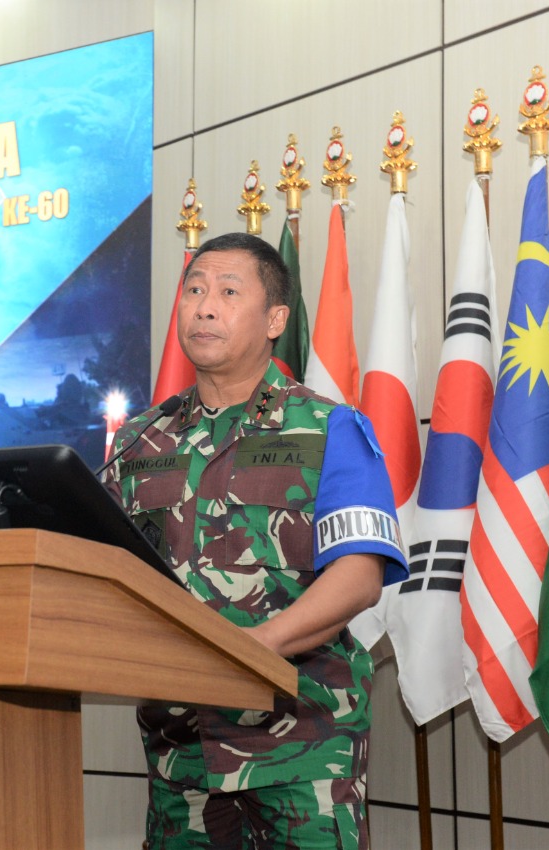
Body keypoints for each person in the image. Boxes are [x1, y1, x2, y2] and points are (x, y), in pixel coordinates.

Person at [102, 232, 408, 849]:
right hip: (179, 758)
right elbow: (100, 571)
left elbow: (358, 578)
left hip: (301, 754)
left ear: (275, 319)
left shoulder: (330, 428)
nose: (204, 306)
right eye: (194, 290)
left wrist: (247, 650)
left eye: (227, 292)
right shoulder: (137, 445)